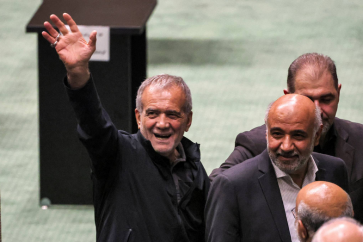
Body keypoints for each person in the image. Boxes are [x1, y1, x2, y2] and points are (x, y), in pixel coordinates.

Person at [42, 13, 210, 242]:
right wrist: (78, 73)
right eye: (152, 114)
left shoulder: (195, 169)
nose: (162, 123)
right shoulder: (117, 155)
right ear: (138, 118)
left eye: (172, 114)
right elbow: (94, 125)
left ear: (188, 121)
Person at [210, 53, 363, 223]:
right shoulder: (255, 144)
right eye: (308, 99)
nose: (318, 110)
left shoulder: (360, 139)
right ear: (287, 95)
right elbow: (217, 186)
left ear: (339, 93)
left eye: (326, 99)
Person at [205, 94, 349, 242]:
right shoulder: (232, 186)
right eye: (277, 134)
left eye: (298, 135)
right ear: (266, 133)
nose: (286, 146)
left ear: (317, 134)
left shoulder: (335, 170)